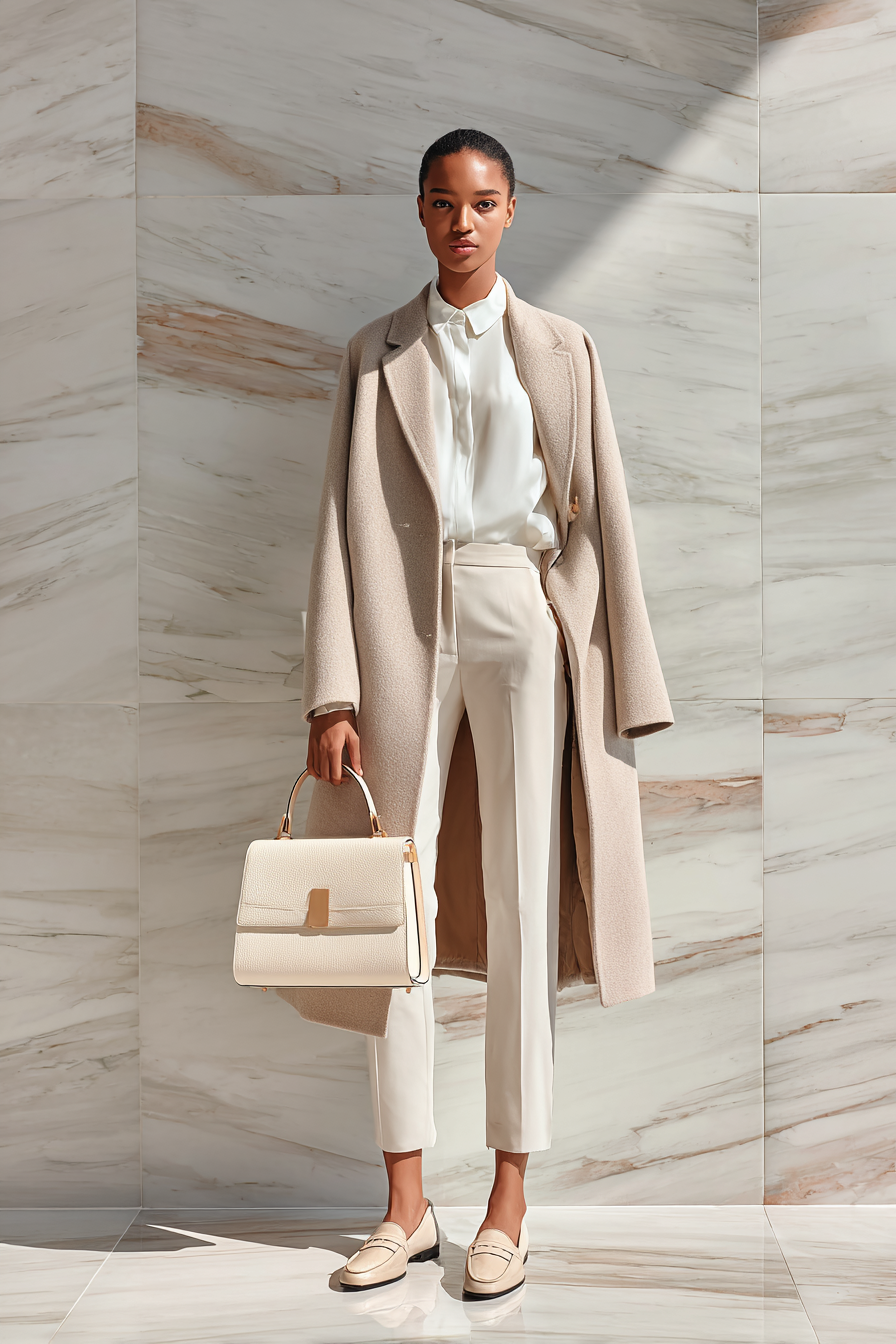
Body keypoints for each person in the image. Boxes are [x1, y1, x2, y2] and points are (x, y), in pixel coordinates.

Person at [287, 128, 673, 1300]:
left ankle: (508, 1198)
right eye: (442, 202)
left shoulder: (561, 347)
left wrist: (619, 666)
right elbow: (333, 531)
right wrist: (332, 691)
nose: (462, 221)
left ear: (510, 212)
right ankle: (404, 1205)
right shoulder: (373, 354)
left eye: (483, 202)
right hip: (402, 628)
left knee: (520, 894)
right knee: (391, 905)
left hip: (521, 613)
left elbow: (603, 510)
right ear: (419, 212)